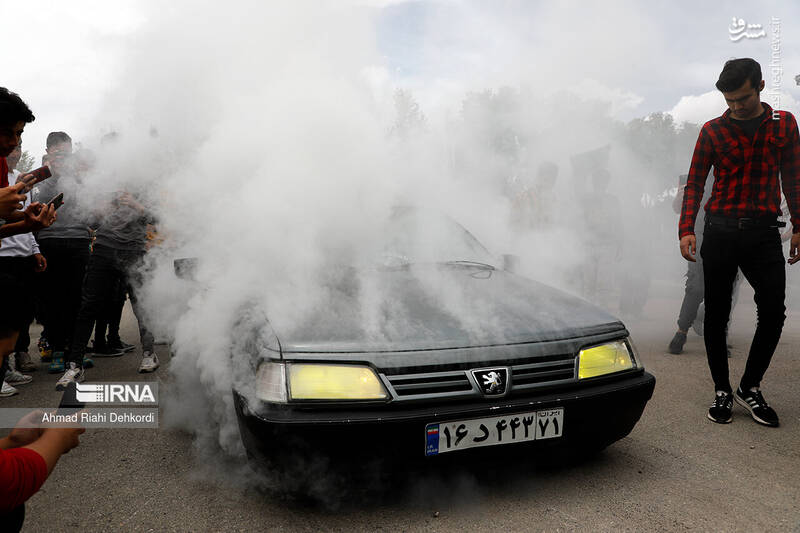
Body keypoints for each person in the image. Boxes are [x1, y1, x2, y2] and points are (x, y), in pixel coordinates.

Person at [679, 58, 800, 427]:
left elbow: (794, 178)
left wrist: (799, 224)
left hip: (763, 233)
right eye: (729, 100)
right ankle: (721, 389)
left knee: (774, 313)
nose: (735, 107)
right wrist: (687, 227)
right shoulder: (712, 130)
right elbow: (696, 183)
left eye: (743, 98)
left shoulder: (784, 125)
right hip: (719, 232)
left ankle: (749, 387)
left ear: (761, 85)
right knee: (716, 314)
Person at [32, 133, 96, 374]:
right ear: (48, 153)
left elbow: (91, 217)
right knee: (53, 298)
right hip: (50, 242)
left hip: (79, 241)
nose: (63, 159)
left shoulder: (80, 182)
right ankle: (58, 349)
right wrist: (53, 176)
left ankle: (75, 352)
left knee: (78, 298)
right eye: (58, 154)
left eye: (67, 154)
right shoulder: (39, 183)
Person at [0, 144, 47, 395]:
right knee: (2, 318)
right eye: (11, 144)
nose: (15, 150)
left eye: (19, 145)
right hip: (2, 254)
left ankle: (11, 365)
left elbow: (26, 222)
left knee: (20, 314)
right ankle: (3, 371)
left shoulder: (21, 181)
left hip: (23, 254)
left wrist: (35, 249)